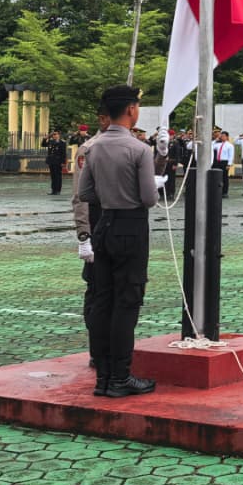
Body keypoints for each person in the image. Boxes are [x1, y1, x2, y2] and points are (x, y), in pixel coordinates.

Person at [77, 85, 159, 398]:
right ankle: (120, 377)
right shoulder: (139, 149)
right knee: (127, 302)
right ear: (130, 111)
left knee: (103, 300)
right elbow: (149, 199)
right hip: (131, 227)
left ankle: (103, 377)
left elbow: (85, 194)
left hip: (104, 226)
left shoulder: (93, 147)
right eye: (137, 105)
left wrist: (110, 195)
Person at [71, 107, 109, 351]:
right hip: (97, 226)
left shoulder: (131, 145)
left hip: (124, 227)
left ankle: (116, 350)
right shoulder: (90, 148)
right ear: (104, 119)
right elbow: (80, 196)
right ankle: (98, 349)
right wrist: (84, 235)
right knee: (97, 290)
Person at [43, 130, 67, 195]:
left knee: (58, 176)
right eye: (53, 134)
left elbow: (63, 153)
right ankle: (53, 190)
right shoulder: (50, 141)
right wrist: (46, 137)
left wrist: (63, 162)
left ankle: (58, 190)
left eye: (56, 134)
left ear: (59, 135)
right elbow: (43, 144)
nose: (55, 136)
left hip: (58, 161)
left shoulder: (62, 142)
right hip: (51, 161)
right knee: (53, 176)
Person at [211, 130, 234, 198]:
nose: (222, 137)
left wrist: (229, 164)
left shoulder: (229, 145)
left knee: (224, 178)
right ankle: (217, 191)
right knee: (217, 177)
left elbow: (231, 155)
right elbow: (211, 146)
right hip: (217, 162)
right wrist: (216, 140)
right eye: (221, 136)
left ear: (227, 137)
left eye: (223, 136)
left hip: (224, 162)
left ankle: (225, 192)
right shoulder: (218, 144)